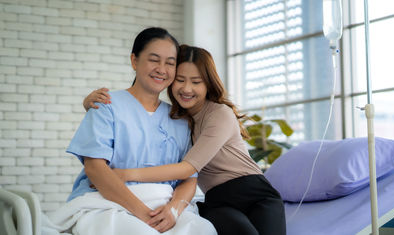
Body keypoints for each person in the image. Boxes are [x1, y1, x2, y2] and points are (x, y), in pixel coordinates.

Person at [84, 44, 287, 235]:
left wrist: (123, 174)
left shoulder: (219, 113)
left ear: (209, 83)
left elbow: (187, 169)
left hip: (255, 194)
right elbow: (135, 122)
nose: (187, 89)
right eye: (180, 80)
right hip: (217, 201)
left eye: (196, 82)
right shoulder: (176, 119)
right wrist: (92, 106)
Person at [46, 28, 216, 235]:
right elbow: (95, 169)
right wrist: (144, 214)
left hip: (163, 205)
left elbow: (189, 177)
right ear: (134, 61)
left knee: (204, 230)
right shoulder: (106, 105)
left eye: (170, 63)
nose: (162, 69)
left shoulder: (180, 120)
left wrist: (174, 209)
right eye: (154, 60)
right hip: (109, 203)